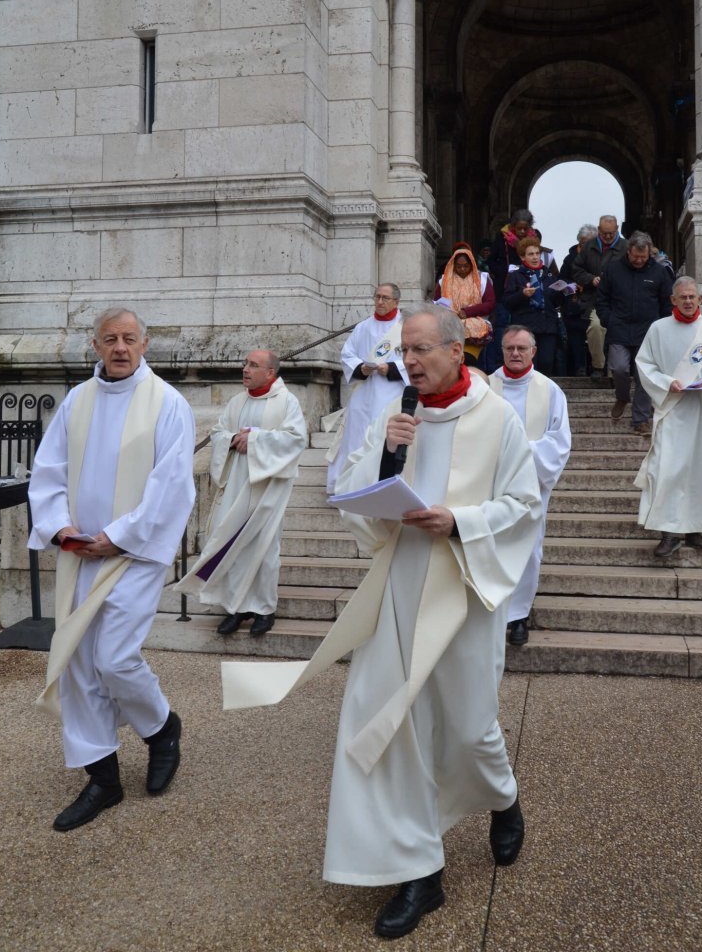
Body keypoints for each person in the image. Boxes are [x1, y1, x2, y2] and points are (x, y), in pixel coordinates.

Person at [219, 305, 542, 939]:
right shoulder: (399, 415)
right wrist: (388, 458)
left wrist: (461, 522)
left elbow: (525, 504)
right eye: (406, 351)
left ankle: (503, 799)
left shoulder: (498, 417)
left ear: (457, 351)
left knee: (472, 729)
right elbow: (353, 495)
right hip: (400, 584)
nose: (411, 361)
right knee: (388, 724)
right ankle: (420, 871)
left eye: (422, 349)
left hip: (466, 594)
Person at [28, 307, 196, 832]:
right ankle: (103, 779)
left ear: (145, 343)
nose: (120, 348)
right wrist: (58, 528)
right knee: (79, 660)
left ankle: (162, 727)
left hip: (132, 555)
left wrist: (117, 537)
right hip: (80, 552)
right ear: (95, 346)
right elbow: (49, 469)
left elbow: (171, 486)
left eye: (129, 339)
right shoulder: (78, 400)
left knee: (114, 658)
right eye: (109, 340)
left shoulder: (168, 404)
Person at [176, 349, 307, 637]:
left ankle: (264, 609)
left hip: (268, 487)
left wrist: (256, 439)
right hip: (237, 484)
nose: (245, 369)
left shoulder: (286, 402)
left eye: (253, 365)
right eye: (245, 364)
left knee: (264, 547)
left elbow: (297, 439)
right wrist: (234, 438)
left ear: (270, 373)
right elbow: (218, 432)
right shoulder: (237, 401)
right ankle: (236, 607)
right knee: (231, 544)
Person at [634, 277, 702, 558]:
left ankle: (696, 529)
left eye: (693, 297)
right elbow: (645, 364)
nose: (688, 301)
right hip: (673, 408)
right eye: (683, 297)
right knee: (668, 469)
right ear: (673, 300)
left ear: (700, 299)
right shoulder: (658, 329)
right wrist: (668, 382)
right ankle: (668, 533)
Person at [491, 326, 571, 645]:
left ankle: (519, 616)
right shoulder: (484, 387)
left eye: (522, 348)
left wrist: (522, 449)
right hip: (490, 481)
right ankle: (492, 612)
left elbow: (559, 442)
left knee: (527, 547)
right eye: (510, 348)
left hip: (530, 482)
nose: (515, 353)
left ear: (533, 351)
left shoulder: (550, 391)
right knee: (492, 545)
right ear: (502, 350)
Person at [325, 284, 407, 493]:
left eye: (385, 298)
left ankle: (379, 484)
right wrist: (360, 368)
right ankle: (347, 485)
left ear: (396, 302)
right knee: (355, 437)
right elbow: (347, 354)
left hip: (392, 391)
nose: (379, 302)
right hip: (364, 391)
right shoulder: (363, 327)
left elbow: (414, 358)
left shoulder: (405, 327)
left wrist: (390, 367)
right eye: (377, 297)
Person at [596, 231, 673, 436]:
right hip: (619, 328)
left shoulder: (659, 272)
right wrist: (608, 319)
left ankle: (641, 419)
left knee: (644, 376)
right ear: (628, 251)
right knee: (619, 368)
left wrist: (664, 326)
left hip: (648, 332)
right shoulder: (613, 269)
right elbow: (601, 298)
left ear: (649, 253)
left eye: (643, 257)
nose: (639, 260)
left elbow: (667, 303)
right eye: (635, 256)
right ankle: (622, 397)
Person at [572, 214, 627, 378]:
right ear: (599, 230)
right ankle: (598, 366)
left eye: (611, 233)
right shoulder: (588, 246)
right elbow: (576, 269)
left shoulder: (626, 247)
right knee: (595, 327)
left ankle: (613, 371)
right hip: (596, 300)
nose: (608, 237)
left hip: (620, 300)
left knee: (618, 331)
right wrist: (591, 279)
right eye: (604, 233)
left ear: (617, 229)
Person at [502, 236, 560, 375]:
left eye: (537, 253)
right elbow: (507, 302)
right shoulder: (515, 276)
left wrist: (565, 292)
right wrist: (522, 295)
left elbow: (556, 302)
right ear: (523, 257)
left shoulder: (549, 275)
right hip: (525, 328)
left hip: (547, 326)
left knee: (547, 363)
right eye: (530, 254)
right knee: (530, 365)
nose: (535, 257)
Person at [433, 243, 495, 365]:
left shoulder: (482, 279)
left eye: (466, 266)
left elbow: (490, 303)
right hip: (450, 326)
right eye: (459, 266)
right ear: (453, 265)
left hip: (475, 328)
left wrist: (467, 312)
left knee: (472, 364)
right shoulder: (443, 281)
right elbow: (436, 304)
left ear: (472, 264)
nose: (462, 269)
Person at [559, 224, 596, 376]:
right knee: (575, 338)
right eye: (583, 242)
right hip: (573, 304)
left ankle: (595, 367)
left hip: (593, 304)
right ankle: (579, 368)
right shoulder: (570, 258)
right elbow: (562, 280)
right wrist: (572, 287)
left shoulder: (600, 258)